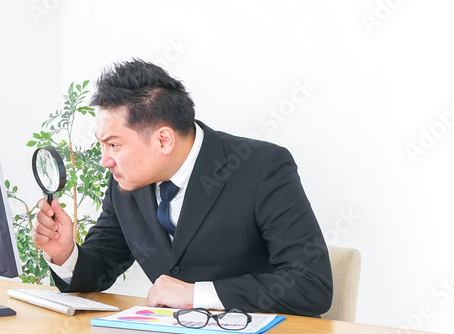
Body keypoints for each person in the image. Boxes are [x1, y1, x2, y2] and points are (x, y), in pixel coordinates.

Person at [33, 59, 333, 316]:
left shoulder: (261, 167)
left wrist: (195, 294)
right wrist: (65, 254)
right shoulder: (126, 181)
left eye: (114, 145)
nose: (105, 161)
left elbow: (310, 284)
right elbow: (101, 264)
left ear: (164, 140)